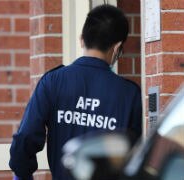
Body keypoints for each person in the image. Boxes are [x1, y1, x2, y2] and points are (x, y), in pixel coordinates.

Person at [9, 4, 142, 180]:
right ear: (117, 48)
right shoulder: (130, 95)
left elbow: (25, 140)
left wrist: (22, 175)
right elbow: (138, 158)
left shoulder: (53, 82)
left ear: (81, 40)